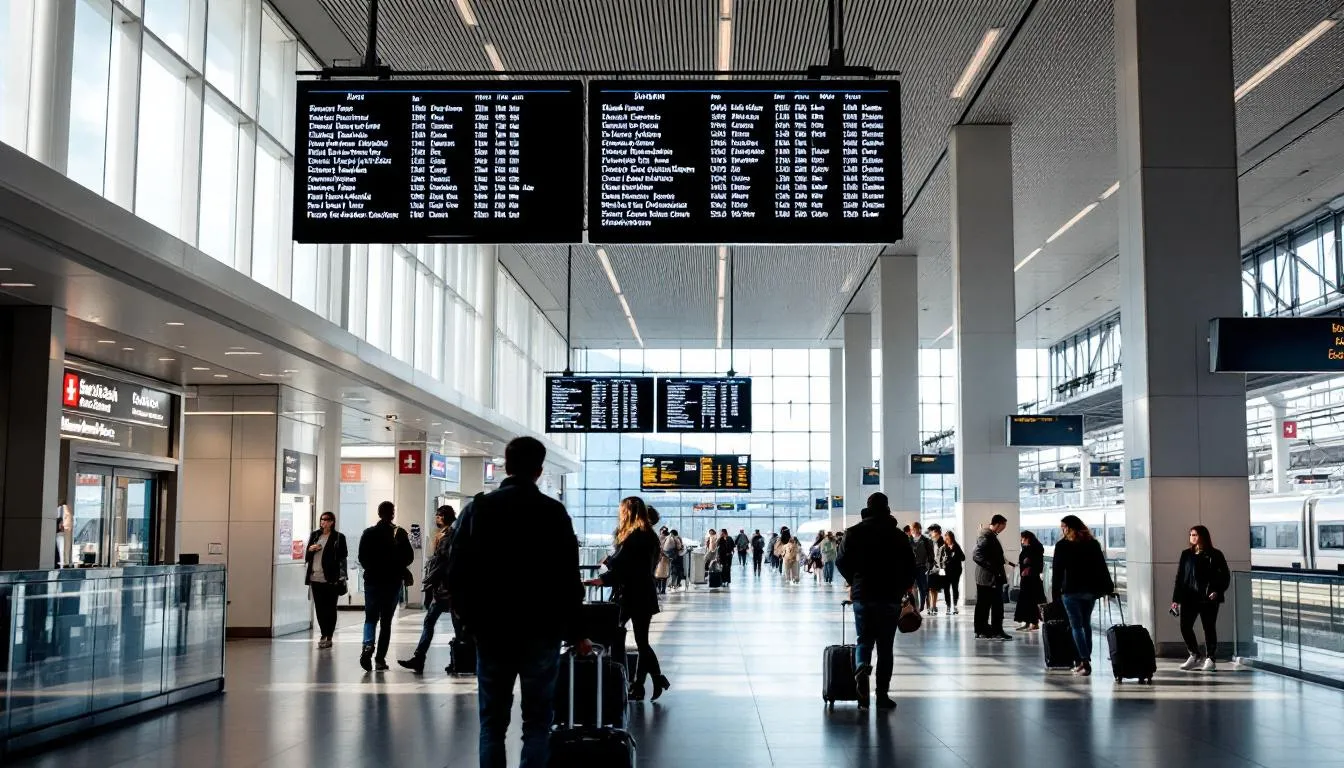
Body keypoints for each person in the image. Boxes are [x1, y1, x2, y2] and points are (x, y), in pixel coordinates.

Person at [446, 436, 591, 768]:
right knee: (538, 723)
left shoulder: (478, 510)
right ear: (539, 471)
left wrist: (469, 621)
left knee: (492, 725)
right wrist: (577, 631)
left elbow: (456, 574)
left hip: (492, 630)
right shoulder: (554, 514)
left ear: (506, 466)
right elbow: (568, 580)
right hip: (542, 631)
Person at [584, 496, 672, 701]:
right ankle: (643, 684)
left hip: (630, 594)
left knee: (617, 635)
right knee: (642, 641)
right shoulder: (650, 536)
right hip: (645, 593)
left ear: (627, 512)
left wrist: (602, 577)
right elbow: (639, 567)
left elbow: (623, 567)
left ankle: (635, 681)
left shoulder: (633, 537)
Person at [835, 492, 916, 710]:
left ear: (867, 508)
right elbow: (911, 565)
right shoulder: (898, 536)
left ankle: (861, 669)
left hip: (863, 595)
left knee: (864, 640)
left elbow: (840, 561)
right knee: (885, 647)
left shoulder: (853, 533)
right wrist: (903, 585)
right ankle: (881, 695)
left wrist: (854, 579)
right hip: (890, 596)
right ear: (887, 508)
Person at [398, 506, 461, 673]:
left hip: (446, 588)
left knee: (452, 624)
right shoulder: (447, 534)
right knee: (440, 623)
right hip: (445, 587)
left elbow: (442, 561)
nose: (437, 518)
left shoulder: (450, 535)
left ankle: (458, 660)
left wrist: (430, 579)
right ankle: (424, 658)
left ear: (445, 517)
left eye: (439, 516)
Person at [1050, 514, 1113, 676]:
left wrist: (1055, 594)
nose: (1062, 530)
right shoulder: (1092, 544)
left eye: (1063, 527)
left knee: (1076, 626)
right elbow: (1101, 566)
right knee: (1086, 625)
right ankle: (1085, 659)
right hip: (1089, 591)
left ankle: (1083, 661)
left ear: (1069, 527)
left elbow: (1057, 572)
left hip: (1070, 591)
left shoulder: (1062, 545)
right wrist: (1108, 587)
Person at [357, 501, 414, 671]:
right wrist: (396, 567)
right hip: (392, 581)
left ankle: (367, 646)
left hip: (373, 581)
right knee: (386, 621)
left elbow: (362, 557)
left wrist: (374, 568)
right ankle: (380, 659)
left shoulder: (368, 533)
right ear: (392, 514)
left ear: (379, 513)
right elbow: (409, 557)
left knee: (370, 617)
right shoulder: (400, 533)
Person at [1172, 525, 1231, 672]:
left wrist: (1217, 590)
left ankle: (1210, 658)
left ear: (1203, 536)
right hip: (1189, 597)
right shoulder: (1186, 554)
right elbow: (1180, 578)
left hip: (1208, 598)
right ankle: (1194, 654)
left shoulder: (1215, 554)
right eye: (1191, 535)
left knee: (1208, 628)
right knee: (1185, 627)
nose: (1192, 537)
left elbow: (1225, 576)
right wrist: (1176, 599)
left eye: (1195, 535)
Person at [305, 511, 349, 649]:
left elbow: (343, 556)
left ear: (332, 522)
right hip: (315, 577)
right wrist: (311, 549)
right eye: (322, 519)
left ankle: (329, 635)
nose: (323, 522)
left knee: (330, 608)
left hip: (331, 578)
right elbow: (307, 556)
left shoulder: (338, 537)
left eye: (326, 520)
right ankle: (323, 633)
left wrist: (341, 575)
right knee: (319, 608)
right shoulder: (315, 535)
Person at [972, 514, 1013, 641]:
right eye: (1003, 526)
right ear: (997, 524)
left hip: (988, 577)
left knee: (986, 604)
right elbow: (976, 555)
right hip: (988, 578)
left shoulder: (989, 536)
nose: (1003, 529)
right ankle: (991, 630)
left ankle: (984, 629)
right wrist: (993, 568)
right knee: (991, 605)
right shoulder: (986, 536)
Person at [1014, 531, 1046, 632]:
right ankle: (1027, 622)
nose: (1021, 540)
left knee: (1031, 601)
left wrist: (1029, 564)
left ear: (1028, 538)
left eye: (1023, 538)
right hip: (1026, 579)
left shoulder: (1036, 548)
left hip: (1032, 579)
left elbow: (1038, 564)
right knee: (1026, 601)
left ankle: (1033, 623)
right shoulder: (1027, 548)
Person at [938, 530, 965, 615]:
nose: (947, 540)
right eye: (946, 538)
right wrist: (941, 572)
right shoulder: (943, 548)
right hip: (945, 572)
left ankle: (955, 606)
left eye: (949, 538)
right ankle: (948, 606)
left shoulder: (957, 547)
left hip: (956, 572)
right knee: (946, 589)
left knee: (955, 588)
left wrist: (956, 554)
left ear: (952, 538)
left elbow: (963, 558)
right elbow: (939, 561)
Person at [910, 522, 935, 612]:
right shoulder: (909, 540)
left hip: (922, 567)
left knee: (924, 587)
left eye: (915, 528)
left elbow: (931, 555)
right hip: (912, 568)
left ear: (919, 529)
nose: (914, 530)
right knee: (913, 588)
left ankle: (925, 606)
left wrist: (929, 566)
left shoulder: (925, 540)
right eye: (913, 529)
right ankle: (916, 607)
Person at [926, 525, 944, 614]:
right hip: (931, 567)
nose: (933, 535)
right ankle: (931, 606)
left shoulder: (942, 543)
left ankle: (933, 606)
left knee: (935, 587)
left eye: (934, 533)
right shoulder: (931, 542)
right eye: (933, 533)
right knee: (930, 588)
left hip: (938, 568)